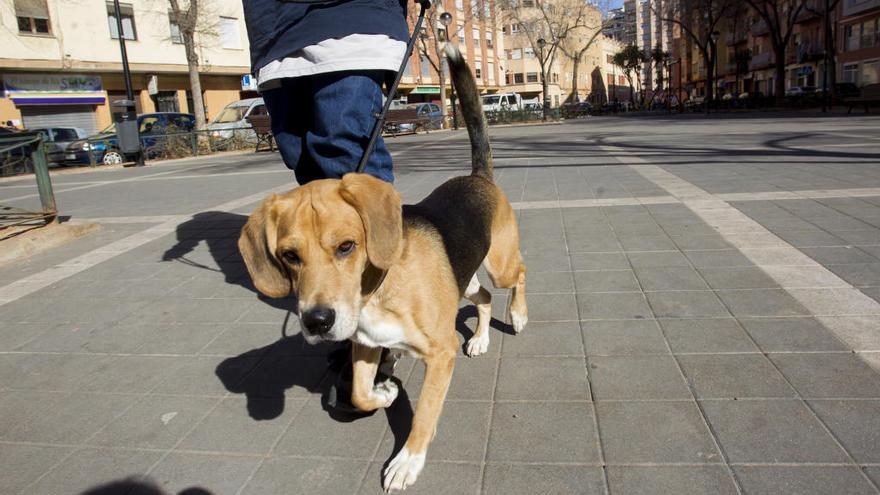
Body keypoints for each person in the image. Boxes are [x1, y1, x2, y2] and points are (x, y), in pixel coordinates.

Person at [242, 0, 412, 185]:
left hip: (350, 20)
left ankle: (369, 213)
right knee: (300, 157)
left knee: (345, 150)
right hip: (273, 34)